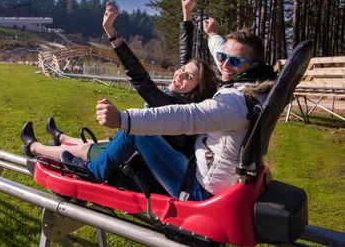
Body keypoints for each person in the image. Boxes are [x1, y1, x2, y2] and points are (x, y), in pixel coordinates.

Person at [21, 0, 218, 192]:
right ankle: (61, 138)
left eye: (188, 77)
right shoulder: (187, 105)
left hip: (141, 163)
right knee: (88, 147)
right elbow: (186, 56)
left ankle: (34, 147)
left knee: (82, 150)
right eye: (182, 68)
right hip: (139, 154)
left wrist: (112, 34)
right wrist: (187, 14)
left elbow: (141, 80)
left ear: (196, 91)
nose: (180, 73)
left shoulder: (176, 108)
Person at [88, 27, 276, 200]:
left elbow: (187, 117)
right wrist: (211, 34)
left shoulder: (233, 102)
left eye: (234, 61)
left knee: (136, 132)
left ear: (253, 66)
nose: (225, 65)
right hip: (208, 174)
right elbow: (223, 50)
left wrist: (122, 119)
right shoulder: (255, 88)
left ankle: (90, 174)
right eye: (221, 57)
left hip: (198, 189)